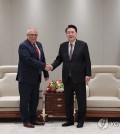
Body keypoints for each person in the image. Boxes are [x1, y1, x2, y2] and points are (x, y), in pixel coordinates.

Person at [48, 25, 91, 128]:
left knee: (81, 101)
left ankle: (80, 121)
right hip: (67, 78)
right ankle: (69, 120)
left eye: (72, 32)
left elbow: (87, 61)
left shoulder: (83, 45)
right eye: (68, 32)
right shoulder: (62, 46)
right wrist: (52, 66)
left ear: (76, 33)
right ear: (66, 34)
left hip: (80, 78)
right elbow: (59, 59)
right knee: (68, 101)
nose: (70, 34)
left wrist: (88, 74)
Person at [16, 28, 50, 128]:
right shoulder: (23, 46)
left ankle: (33, 119)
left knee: (34, 100)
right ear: (27, 35)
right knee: (25, 101)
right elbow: (29, 60)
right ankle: (25, 121)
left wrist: (46, 73)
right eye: (31, 34)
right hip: (25, 78)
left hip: (36, 78)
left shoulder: (38, 44)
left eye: (35, 35)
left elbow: (42, 58)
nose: (33, 36)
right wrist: (44, 66)